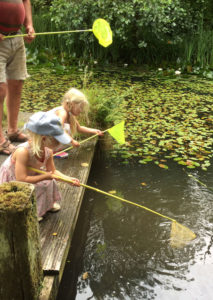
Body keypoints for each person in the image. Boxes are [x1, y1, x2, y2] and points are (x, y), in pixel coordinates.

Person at [0, 111, 80, 221]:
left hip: (31, 173)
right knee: (38, 186)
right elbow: (21, 179)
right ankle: (33, 211)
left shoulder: (48, 151)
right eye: (57, 141)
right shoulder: (23, 152)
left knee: (50, 182)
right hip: (15, 178)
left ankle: (47, 205)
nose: (60, 144)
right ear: (43, 139)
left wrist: (68, 179)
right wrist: (45, 176)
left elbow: (53, 172)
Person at [0, 0, 35, 155]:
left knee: (17, 83)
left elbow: (25, 1)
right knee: (0, 90)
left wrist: (29, 25)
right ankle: (0, 141)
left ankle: (13, 131)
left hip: (16, 36)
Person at [50, 88, 103, 156]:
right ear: (72, 104)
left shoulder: (70, 114)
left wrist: (93, 131)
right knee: (62, 129)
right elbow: (59, 128)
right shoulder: (62, 112)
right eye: (80, 107)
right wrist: (71, 141)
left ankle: (56, 149)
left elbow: (79, 128)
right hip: (44, 140)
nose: (81, 110)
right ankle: (51, 150)